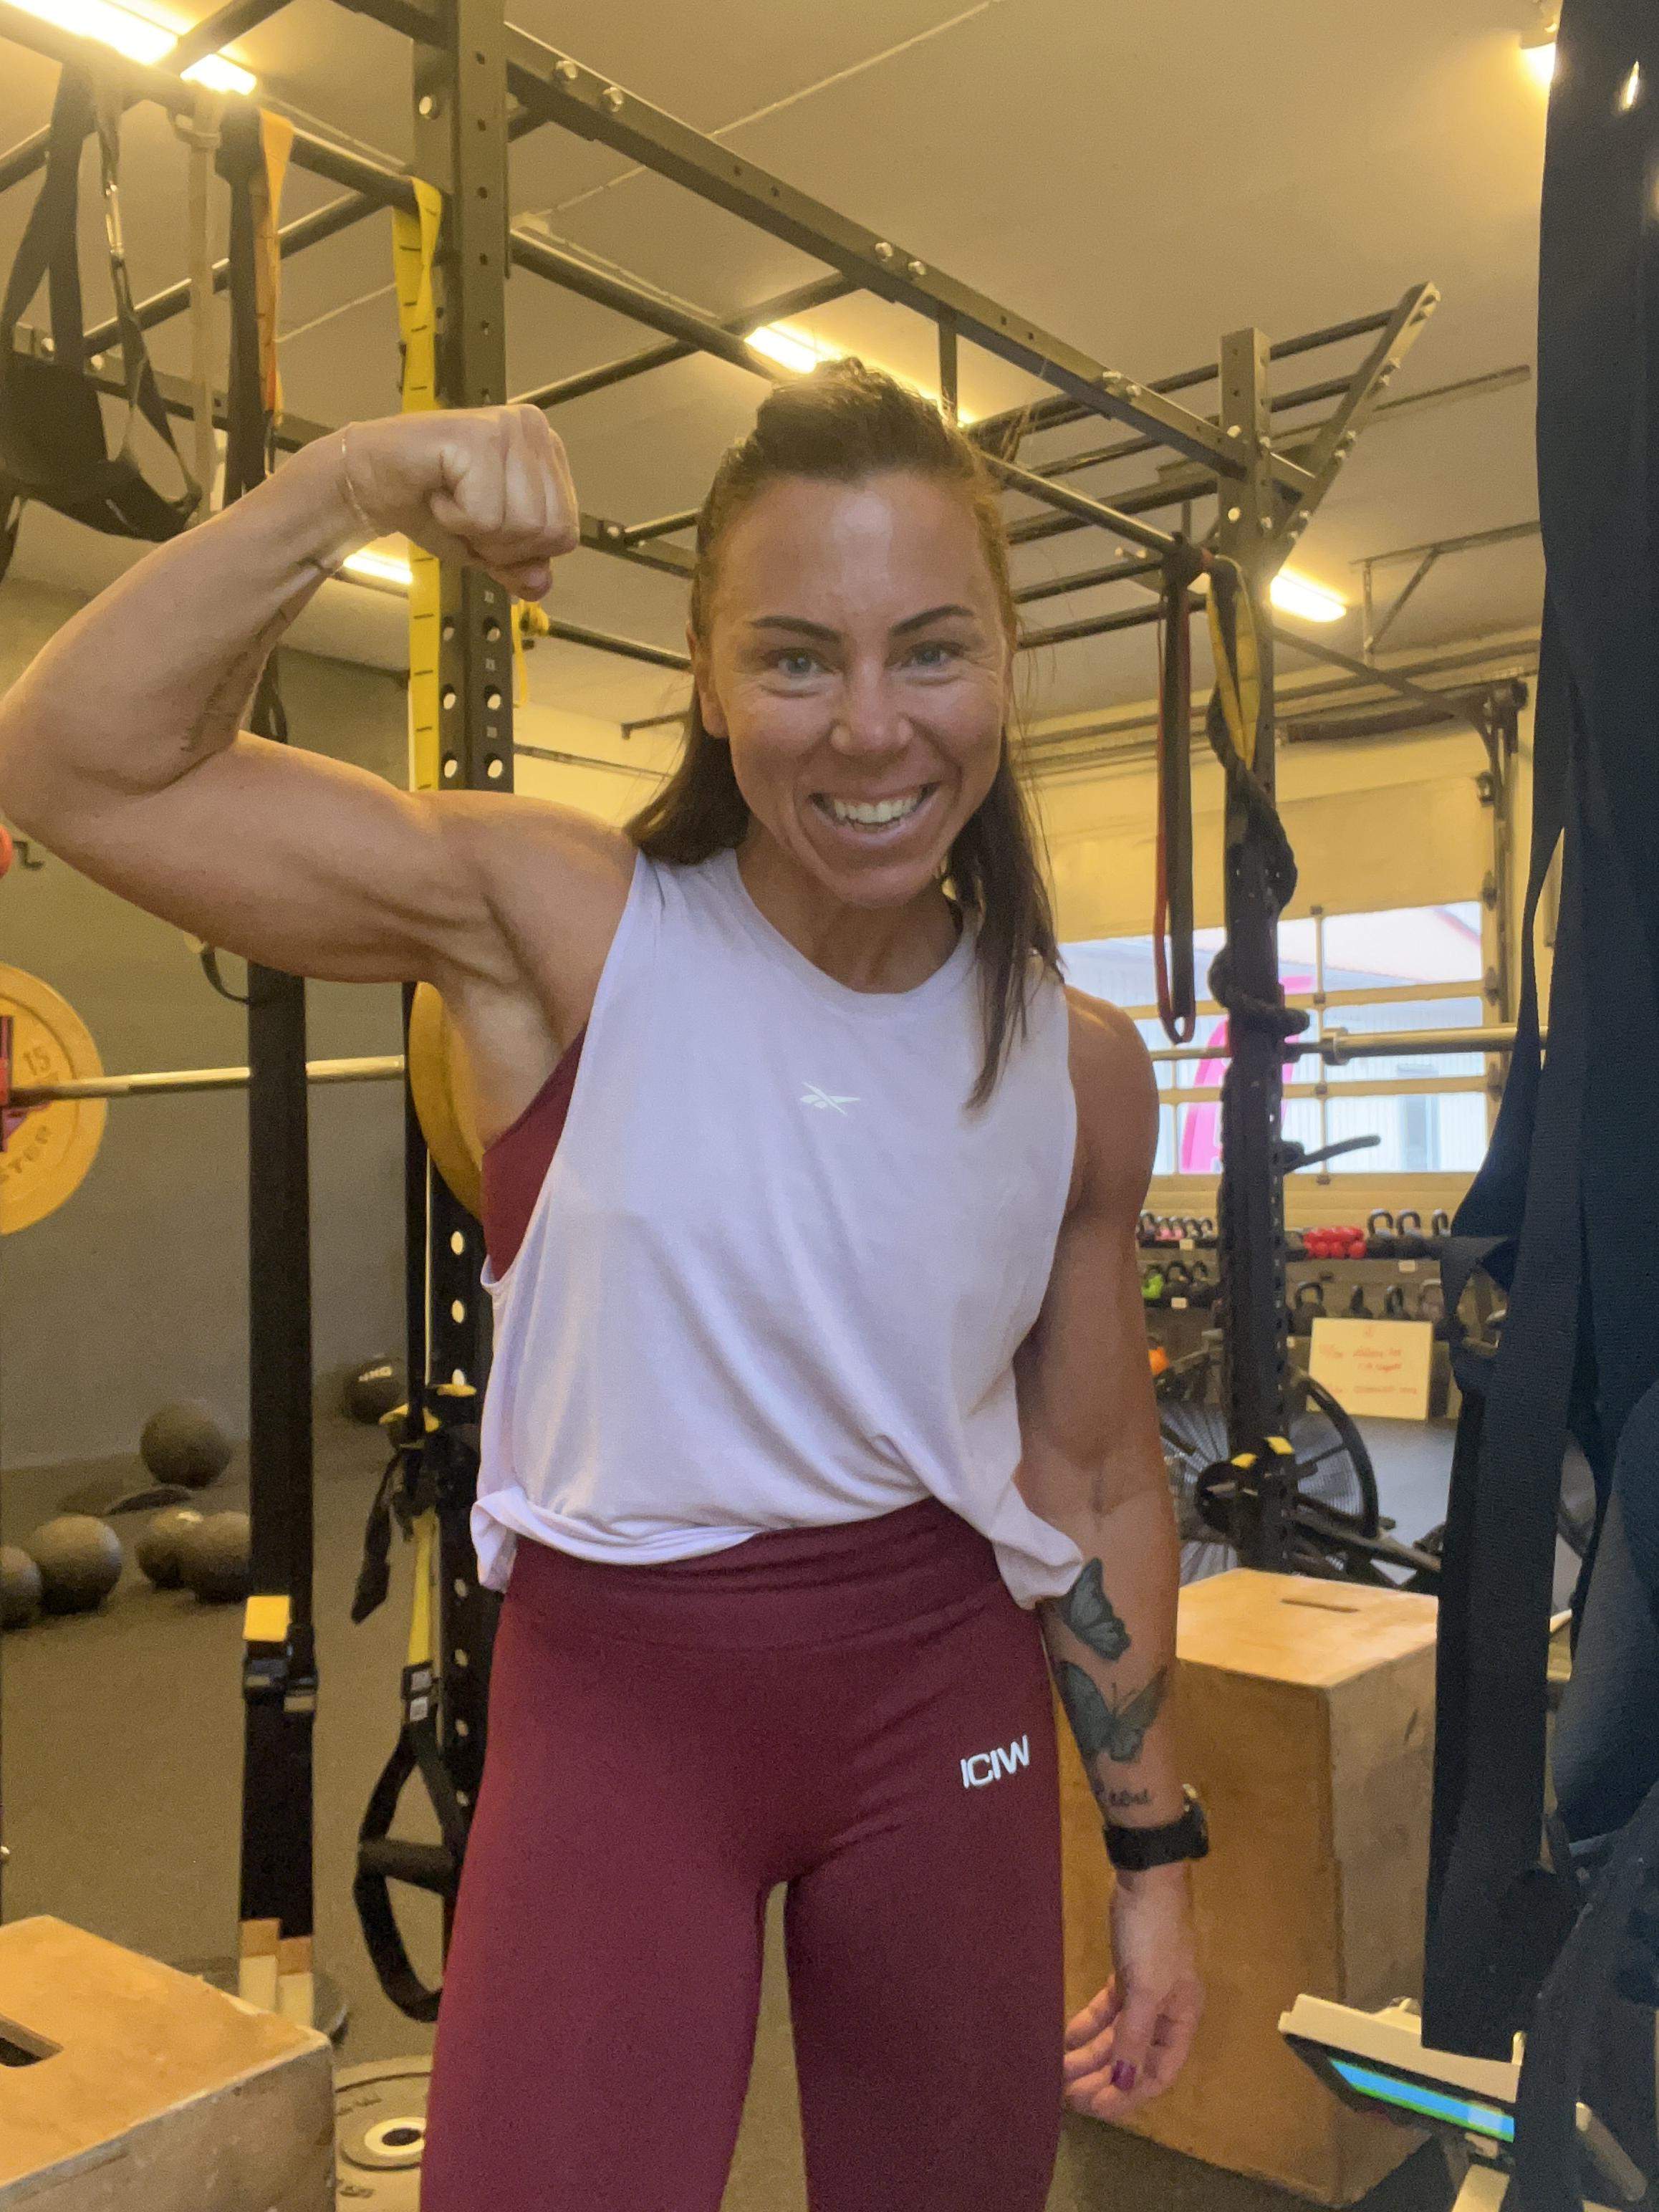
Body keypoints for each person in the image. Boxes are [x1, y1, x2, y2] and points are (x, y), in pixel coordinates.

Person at [0, 360, 1204, 2211]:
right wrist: (351, 484)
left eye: (930, 651)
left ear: (1006, 664)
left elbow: (1102, 1478)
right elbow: (72, 760)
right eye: (795, 659)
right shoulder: (563, 926)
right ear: (706, 680)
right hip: (623, 1707)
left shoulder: (1077, 1065)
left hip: (942, 1700)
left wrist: (1154, 1859)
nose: (870, 728)